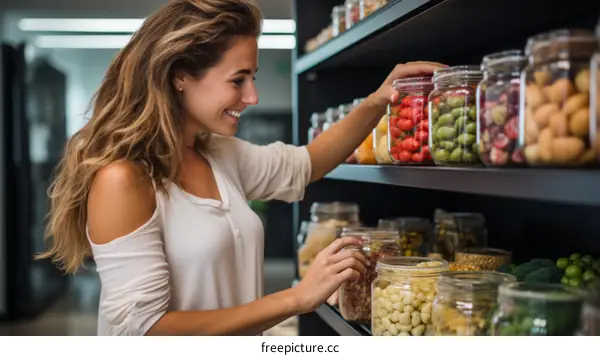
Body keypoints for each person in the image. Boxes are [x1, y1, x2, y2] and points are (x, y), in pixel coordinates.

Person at [38, 0, 445, 336]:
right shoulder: (122, 180)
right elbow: (144, 331)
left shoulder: (219, 154)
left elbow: (311, 162)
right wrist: (297, 298)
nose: (251, 96)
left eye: (253, 77)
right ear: (180, 76)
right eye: (238, 79)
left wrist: (378, 100)